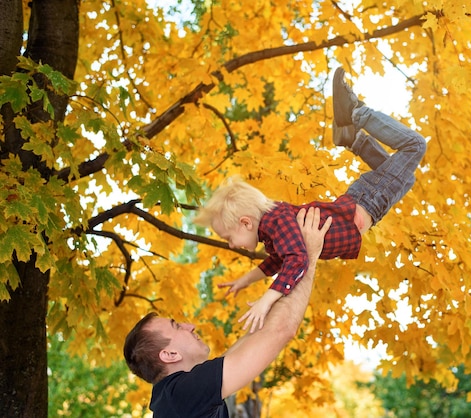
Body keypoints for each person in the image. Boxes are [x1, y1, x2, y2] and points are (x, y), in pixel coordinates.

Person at [194, 66, 427, 333]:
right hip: (368, 203)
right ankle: (353, 140)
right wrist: (246, 280)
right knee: (406, 177)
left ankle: (356, 114)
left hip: (368, 200)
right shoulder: (273, 233)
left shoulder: (276, 222)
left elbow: (297, 261)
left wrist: (266, 300)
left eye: (228, 238)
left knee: (415, 146)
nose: (232, 245)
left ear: (246, 222)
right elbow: (278, 261)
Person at [123, 207, 331, 418]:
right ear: (169, 355)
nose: (190, 325)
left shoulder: (177, 399)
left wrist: (290, 266)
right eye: (177, 326)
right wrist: (309, 256)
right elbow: (280, 331)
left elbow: (257, 337)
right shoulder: (181, 396)